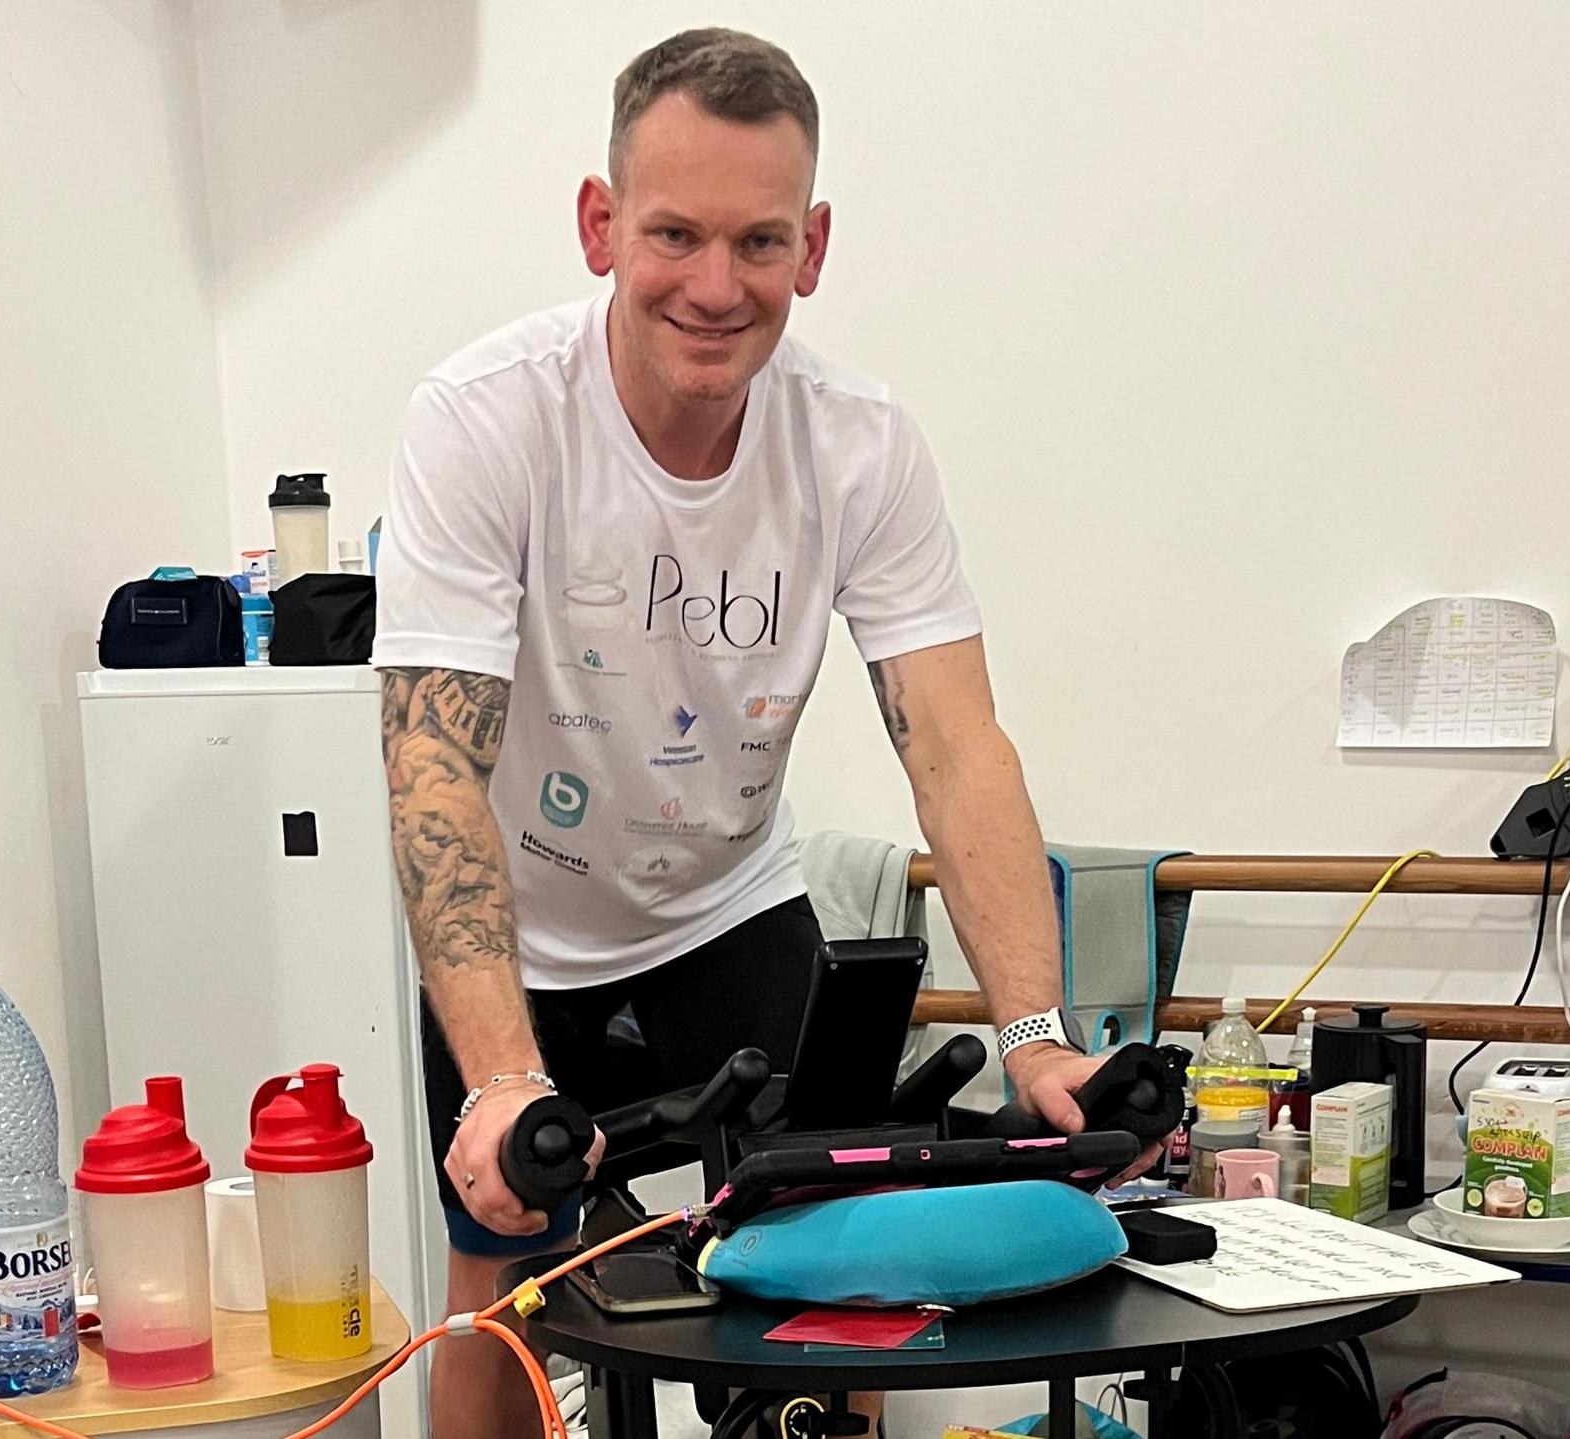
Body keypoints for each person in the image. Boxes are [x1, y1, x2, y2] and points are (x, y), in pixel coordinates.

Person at [374, 28, 1146, 1439]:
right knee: (499, 1272)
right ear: (601, 225)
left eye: (760, 241)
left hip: (728, 905)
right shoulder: (485, 420)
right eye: (674, 234)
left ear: (816, 244)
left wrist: (1039, 1042)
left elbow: (957, 747)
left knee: (838, 1241)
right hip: (521, 928)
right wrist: (499, 1079)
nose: (716, 288)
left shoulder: (857, 443)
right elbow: (433, 766)